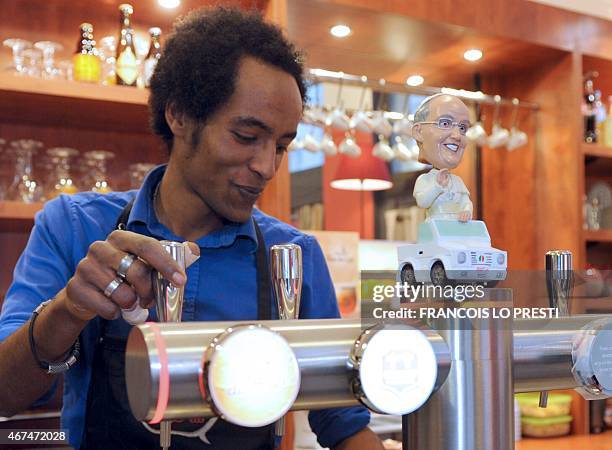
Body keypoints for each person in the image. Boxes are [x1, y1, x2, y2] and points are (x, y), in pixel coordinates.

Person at [0, 8, 383, 450]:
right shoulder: (73, 225)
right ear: (179, 116)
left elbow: (345, 425)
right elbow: (6, 394)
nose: (266, 167)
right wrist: (67, 310)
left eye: (281, 146)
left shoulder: (293, 255)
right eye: (245, 136)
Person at [411, 93, 473, 222]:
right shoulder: (425, 180)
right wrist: (437, 187)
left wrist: (467, 210)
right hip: (435, 227)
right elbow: (423, 202)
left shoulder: (457, 181)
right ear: (418, 132)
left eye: (462, 128)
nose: (457, 135)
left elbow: (466, 202)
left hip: (458, 229)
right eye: (445, 123)